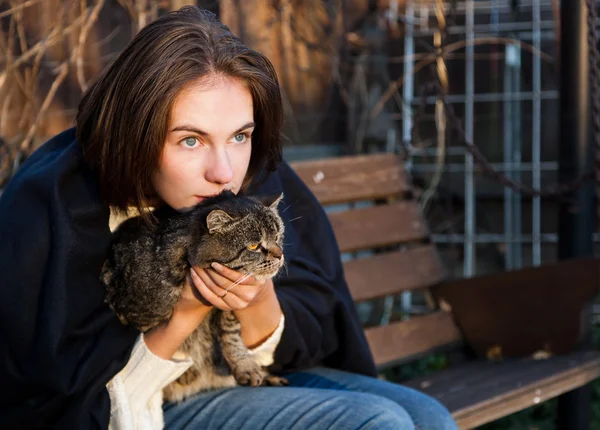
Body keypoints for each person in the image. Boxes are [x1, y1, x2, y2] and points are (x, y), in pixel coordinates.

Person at [0, 6, 458, 430]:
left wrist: (259, 303)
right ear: (136, 130)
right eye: (191, 140)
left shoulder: (254, 177)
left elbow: (317, 314)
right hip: (139, 405)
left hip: (238, 375)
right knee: (378, 423)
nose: (223, 173)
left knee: (428, 416)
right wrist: (181, 313)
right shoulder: (56, 205)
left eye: (239, 135)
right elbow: (61, 390)